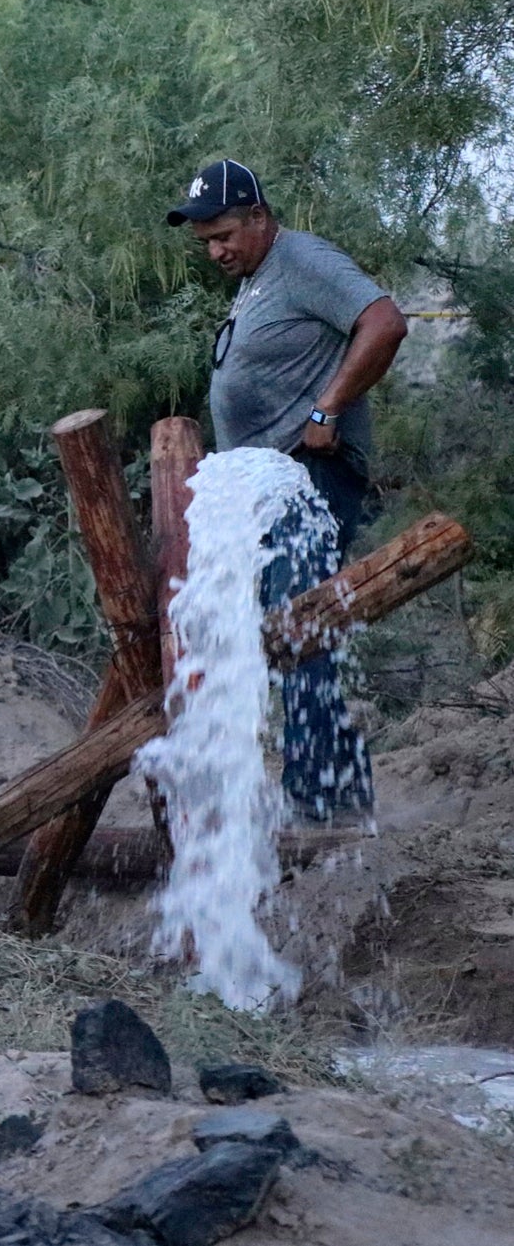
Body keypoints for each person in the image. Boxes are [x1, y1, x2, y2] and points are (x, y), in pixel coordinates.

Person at [169, 160, 408, 822]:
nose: (215, 252)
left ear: (259, 215)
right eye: (206, 242)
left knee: (298, 622)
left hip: (307, 479)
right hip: (265, 490)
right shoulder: (256, 281)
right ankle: (336, 785)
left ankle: (318, 797)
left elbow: (385, 321)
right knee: (280, 630)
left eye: (223, 236)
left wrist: (328, 409)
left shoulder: (302, 259)